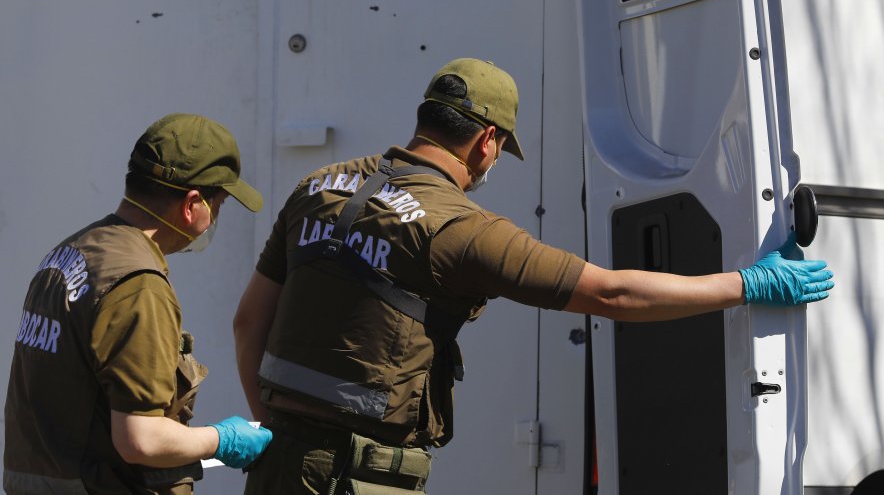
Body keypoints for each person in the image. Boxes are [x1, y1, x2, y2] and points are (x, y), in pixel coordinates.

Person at [233, 59, 834, 494]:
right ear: (487, 141)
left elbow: (247, 323)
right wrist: (748, 285)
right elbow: (612, 292)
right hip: (358, 479)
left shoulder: (319, 186)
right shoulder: (463, 229)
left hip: (275, 464)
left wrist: (273, 428)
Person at [4, 113, 273, 495]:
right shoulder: (139, 284)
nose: (214, 219)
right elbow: (140, 439)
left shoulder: (70, 254)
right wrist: (222, 439)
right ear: (192, 204)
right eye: (220, 205)